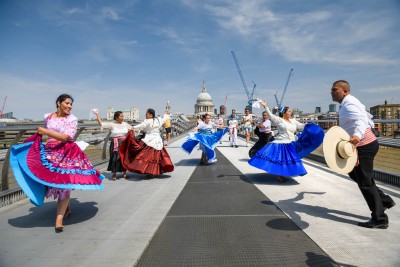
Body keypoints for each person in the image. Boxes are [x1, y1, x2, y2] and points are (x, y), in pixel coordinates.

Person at [10, 94, 104, 233]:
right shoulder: (47, 116)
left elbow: (67, 137)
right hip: (50, 153)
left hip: (67, 153)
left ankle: (58, 220)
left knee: (65, 184)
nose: (69, 106)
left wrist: (45, 131)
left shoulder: (72, 119)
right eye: (67, 103)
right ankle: (66, 208)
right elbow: (46, 135)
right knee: (53, 181)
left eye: (71, 104)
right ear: (58, 103)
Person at [331, 80, 395, 229]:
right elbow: (366, 117)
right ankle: (384, 200)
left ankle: (380, 219)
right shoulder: (347, 103)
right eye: (331, 90)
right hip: (364, 144)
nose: (332, 93)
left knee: (365, 182)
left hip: (363, 145)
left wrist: (358, 135)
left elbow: (360, 120)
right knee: (354, 174)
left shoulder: (349, 104)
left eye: (335, 90)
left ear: (345, 91)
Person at [248, 100, 324, 182]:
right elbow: (271, 115)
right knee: (281, 159)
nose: (290, 112)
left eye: (290, 111)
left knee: (287, 160)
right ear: (284, 112)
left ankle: (283, 174)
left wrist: (311, 126)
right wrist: (265, 106)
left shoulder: (293, 121)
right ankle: (280, 175)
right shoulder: (279, 120)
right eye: (289, 111)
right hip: (281, 143)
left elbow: (302, 126)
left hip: (291, 143)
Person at [120, 108, 174, 178]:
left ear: (150, 115)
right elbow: (164, 119)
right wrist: (166, 115)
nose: (145, 115)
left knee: (147, 156)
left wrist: (132, 128)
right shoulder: (158, 120)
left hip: (149, 140)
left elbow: (140, 126)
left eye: (146, 114)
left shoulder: (147, 121)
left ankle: (149, 171)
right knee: (157, 156)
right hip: (157, 140)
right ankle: (155, 171)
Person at [94, 110, 132, 180]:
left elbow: (132, 129)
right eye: (121, 116)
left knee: (124, 158)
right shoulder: (112, 124)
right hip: (115, 143)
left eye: (122, 116)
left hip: (124, 143)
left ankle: (124, 173)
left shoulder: (125, 124)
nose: (122, 117)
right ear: (116, 117)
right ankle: (114, 173)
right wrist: (97, 114)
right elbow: (101, 123)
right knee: (115, 158)